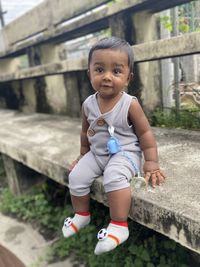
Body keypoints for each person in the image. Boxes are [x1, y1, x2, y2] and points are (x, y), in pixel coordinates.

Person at [62, 36, 166, 255]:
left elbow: (145, 133)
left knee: (113, 176)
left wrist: (152, 162)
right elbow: (85, 132)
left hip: (125, 154)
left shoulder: (130, 104)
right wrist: (82, 156)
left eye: (116, 71)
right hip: (97, 154)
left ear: (128, 77)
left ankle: (119, 225)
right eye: (99, 69)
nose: (107, 77)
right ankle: (82, 215)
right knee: (76, 177)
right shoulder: (88, 104)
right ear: (89, 73)